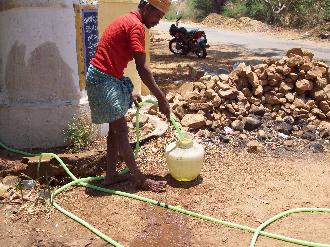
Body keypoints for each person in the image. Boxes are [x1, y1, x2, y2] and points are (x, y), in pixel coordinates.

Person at [86, 0, 171, 192]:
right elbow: (142, 68)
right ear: (147, 8)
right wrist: (161, 98)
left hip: (107, 76)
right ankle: (140, 180)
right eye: (157, 16)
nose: (158, 21)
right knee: (122, 130)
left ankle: (110, 175)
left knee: (114, 131)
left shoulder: (128, 20)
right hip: (103, 79)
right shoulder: (135, 26)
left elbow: (115, 59)